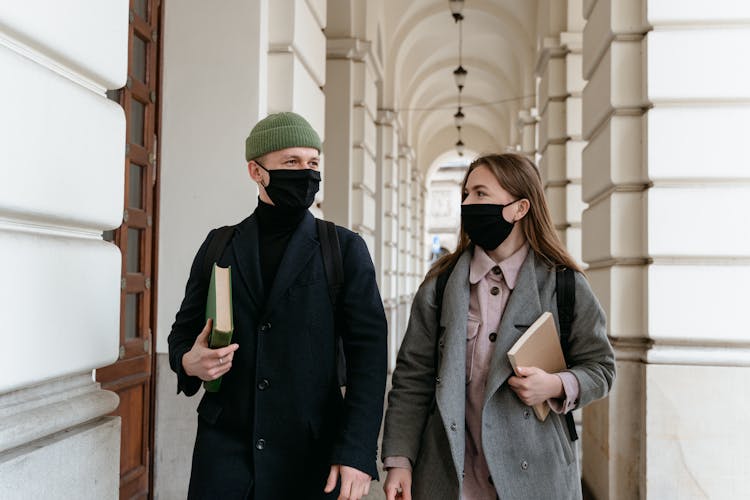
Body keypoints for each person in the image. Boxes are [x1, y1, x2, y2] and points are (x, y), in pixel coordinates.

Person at [168, 112, 388, 500]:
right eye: (292, 162)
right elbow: (182, 335)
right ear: (256, 170)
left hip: (312, 456)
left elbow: (368, 360)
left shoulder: (344, 249)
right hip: (224, 455)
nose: (306, 172)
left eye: (313, 162)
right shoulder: (219, 246)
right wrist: (189, 361)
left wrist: (357, 452)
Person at [381, 153, 615, 500]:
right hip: (450, 477)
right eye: (465, 194)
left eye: (480, 194)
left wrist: (554, 385)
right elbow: (412, 378)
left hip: (536, 477)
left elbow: (602, 369)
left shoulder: (564, 284)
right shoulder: (440, 284)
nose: (466, 203)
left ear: (519, 208)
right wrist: (399, 459)